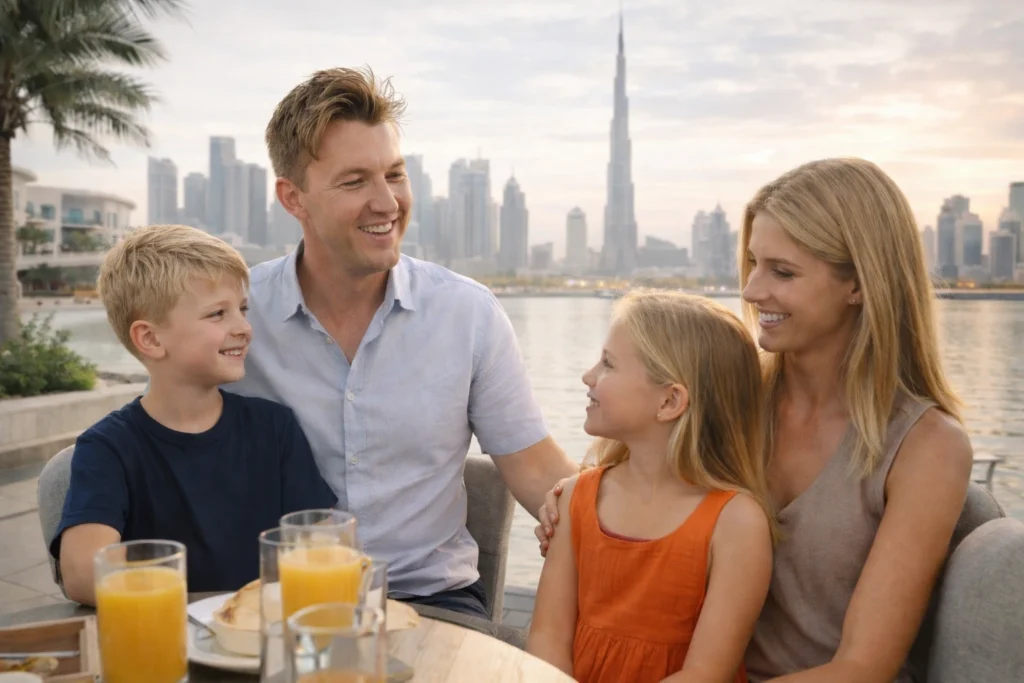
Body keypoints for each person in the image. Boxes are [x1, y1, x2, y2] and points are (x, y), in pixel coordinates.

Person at [536, 158, 973, 683]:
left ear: (858, 284)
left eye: (782, 272)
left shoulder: (928, 447)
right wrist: (568, 508)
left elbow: (863, 667)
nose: (750, 290)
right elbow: (633, 485)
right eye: (752, 264)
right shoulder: (726, 397)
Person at [224, 67, 579, 619]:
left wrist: (658, 523)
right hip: (273, 605)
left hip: (435, 602)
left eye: (394, 174)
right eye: (354, 181)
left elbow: (535, 468)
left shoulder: (468, 313)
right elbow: (166, 429)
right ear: (293, 198)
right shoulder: (238, 316)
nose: (387, 202)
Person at [53, 225, 337, 605]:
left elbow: (316, 544)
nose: (244, 328)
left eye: (242, 309)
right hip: (167, 640)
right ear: (150, 339)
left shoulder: (274, 427)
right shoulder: (108, 448)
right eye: (217, 314)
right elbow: (82, 573)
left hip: (267, 636)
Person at [527, 290, 774, 683]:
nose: (588, 376)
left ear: (670, 401)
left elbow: (707, 672)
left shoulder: (737, 524)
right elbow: (547, 637)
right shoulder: (574, 498)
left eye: (608, 364)